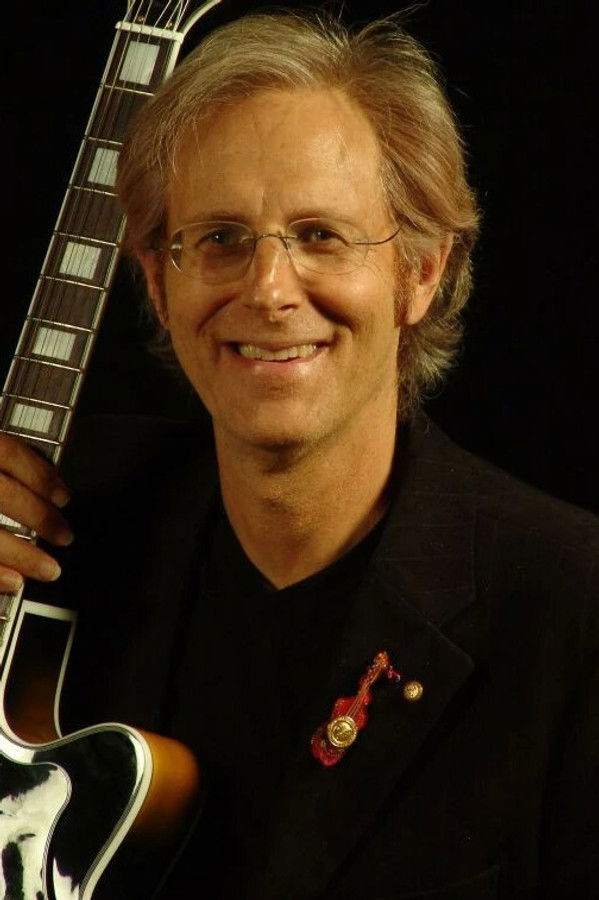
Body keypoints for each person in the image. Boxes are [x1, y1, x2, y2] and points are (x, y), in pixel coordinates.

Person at [0, 11, 597, 899]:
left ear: (419, 273)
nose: (269, 290)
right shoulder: (50, 519)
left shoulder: (570, 608)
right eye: (219, 239)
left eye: (322, 235)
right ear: (158, 282)